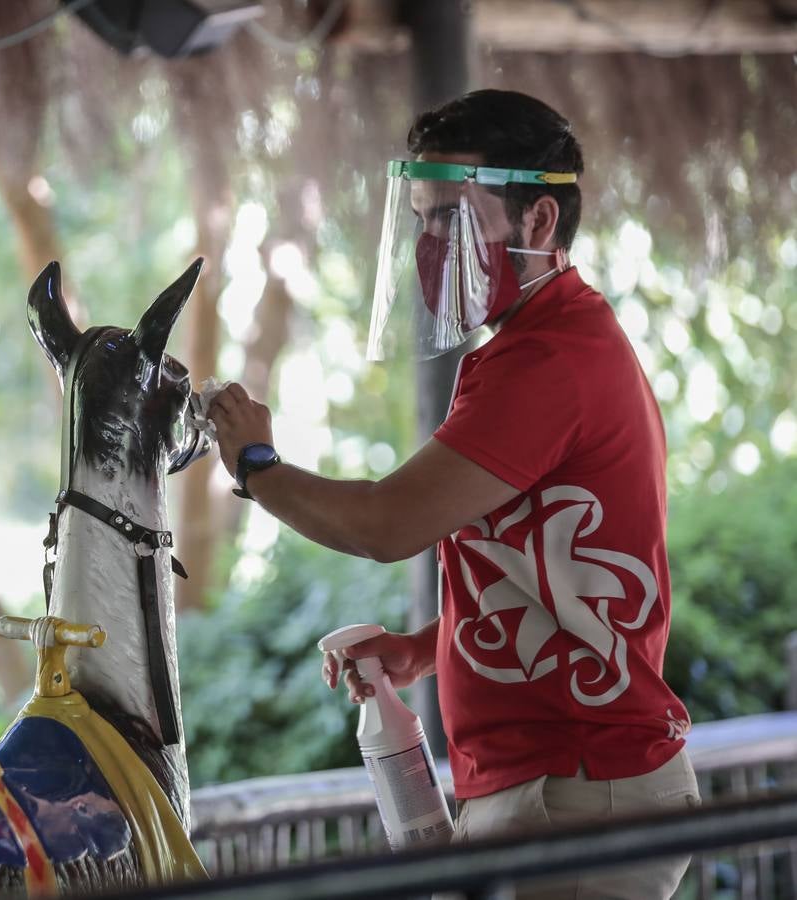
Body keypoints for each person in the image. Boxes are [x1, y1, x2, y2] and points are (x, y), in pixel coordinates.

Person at [206, 89, 698, 899]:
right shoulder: (545, 343)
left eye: (451, 221)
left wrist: (257, 463)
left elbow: (388, 523)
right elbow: (538, 581)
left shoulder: (546, 364)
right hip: (559, 787)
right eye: (423, 222)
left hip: (576, 795)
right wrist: (418, 650)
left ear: (538, 224)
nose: (430, 248)